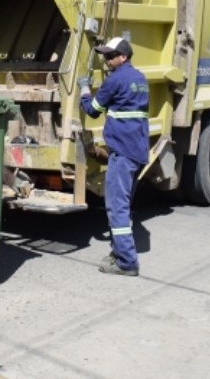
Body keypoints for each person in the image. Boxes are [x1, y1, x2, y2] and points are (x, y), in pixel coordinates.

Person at [78, 36, 149, 276]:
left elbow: (92, 110)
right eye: (104, 56)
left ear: (124, 56)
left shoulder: (115, 80)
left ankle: (127, 262)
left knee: (116, 206)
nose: (106, 60)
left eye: (110, 56)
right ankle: (120, 251)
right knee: (124, 204)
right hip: (138, 150)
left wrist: (84, 89)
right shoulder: (139, 78)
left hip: (124, 153)